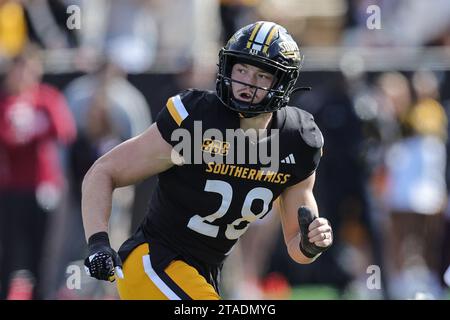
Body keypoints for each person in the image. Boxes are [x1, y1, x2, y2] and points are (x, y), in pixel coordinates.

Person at [82, 21, 333, 300]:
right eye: (241, 69)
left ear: (282, 82)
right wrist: (98, 242)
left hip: (204, 274)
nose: (246, 83)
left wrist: (311, 245)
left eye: (261, 76)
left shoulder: (298, 139)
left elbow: (296, 246)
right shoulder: (196, 119)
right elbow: (104, 171)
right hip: (154, 262)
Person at [0, 44, 76, 299]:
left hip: (44, 187)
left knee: (43, 251)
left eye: (29, 70)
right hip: (11, 187)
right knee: (8, 249)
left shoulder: (47, 98)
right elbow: (7, 138)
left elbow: (64, 130)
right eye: (19, 70)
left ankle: (42, 294)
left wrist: (31, 132)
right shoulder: (5, 101)